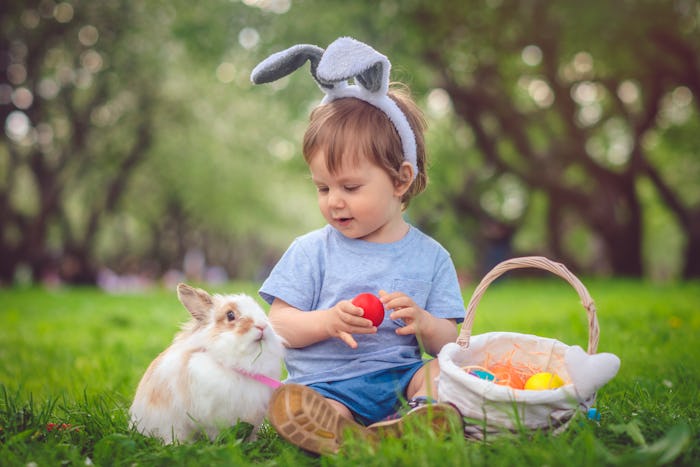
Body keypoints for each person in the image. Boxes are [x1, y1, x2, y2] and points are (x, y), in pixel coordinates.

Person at [252, 37, 465, 455]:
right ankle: (339, 427)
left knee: (442, 371)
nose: (334, 200)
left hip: (400, 379)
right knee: (309, 406)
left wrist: (424, 323)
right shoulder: (311, 250)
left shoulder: (431, 257)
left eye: (350, 186)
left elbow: (450, 341)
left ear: (401, 180)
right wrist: (327, 321)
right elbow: (279, 327)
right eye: (322, 187)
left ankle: (414, 415)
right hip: (326, 385)